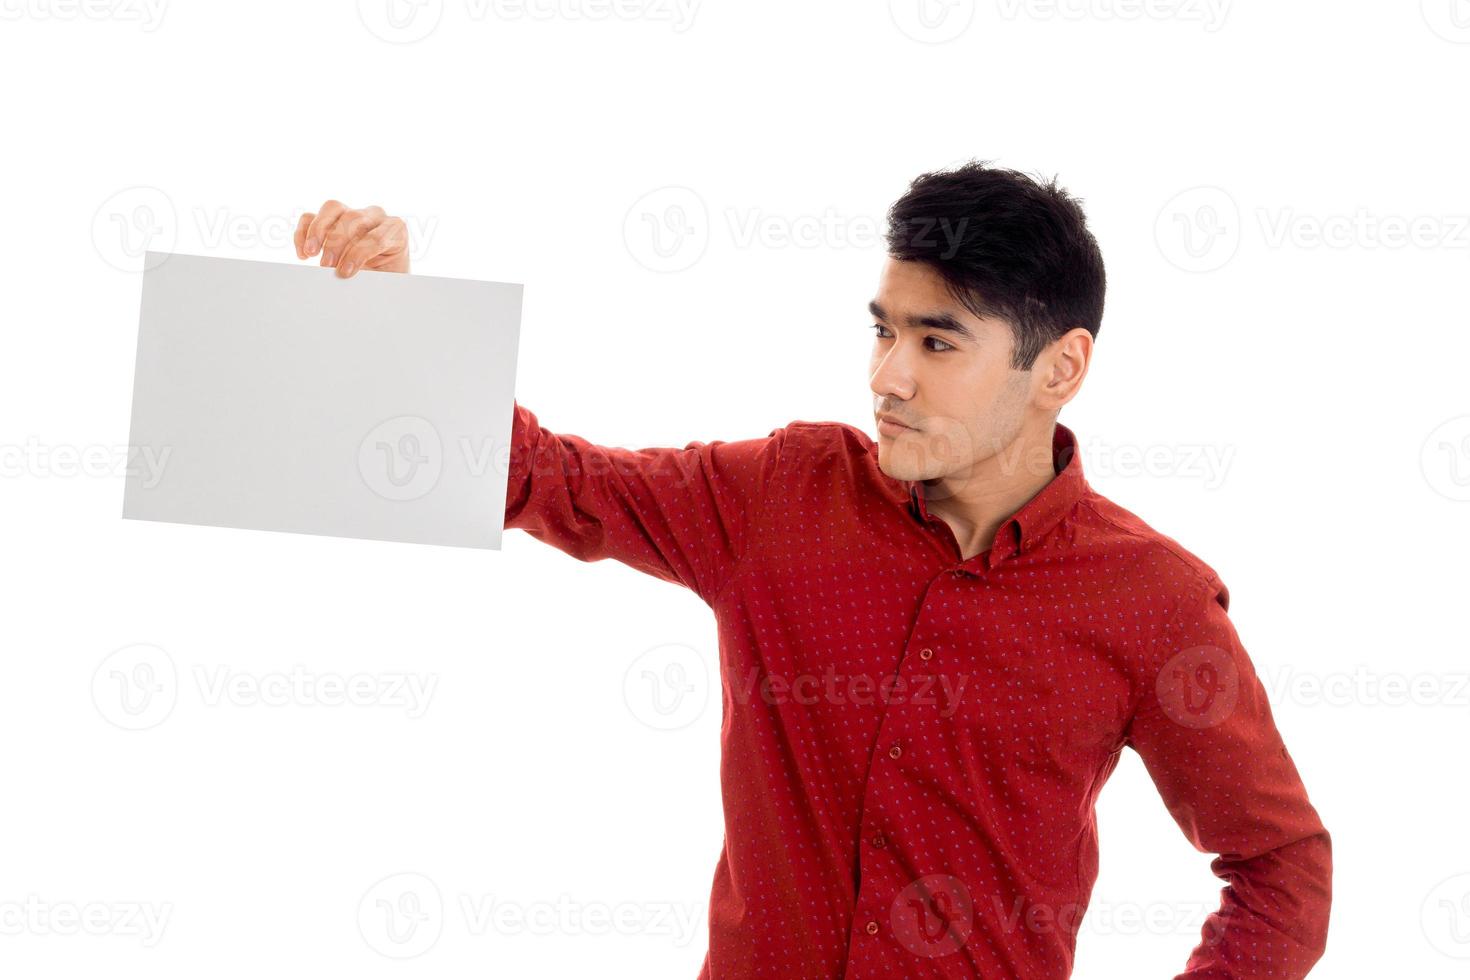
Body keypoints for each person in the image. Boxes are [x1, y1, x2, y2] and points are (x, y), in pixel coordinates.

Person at [292, 161, 1332, 978]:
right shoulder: (782, 492)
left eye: (938, 343)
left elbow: (1283, 864)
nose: (888, 378)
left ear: (1058, 367)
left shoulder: (1153, 600)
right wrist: (399, 318)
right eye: (883, 333)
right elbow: (550, 478)